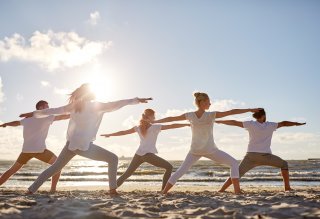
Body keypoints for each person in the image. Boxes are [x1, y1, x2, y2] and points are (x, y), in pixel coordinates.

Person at [20, 83, 152, 195]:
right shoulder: (96, 106)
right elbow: (116, 104)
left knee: (54, 168)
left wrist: (33, 113)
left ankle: (31, 190)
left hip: (70, 144)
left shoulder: (75, 106)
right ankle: (112, 190)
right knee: (113, 158)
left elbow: (53, 110)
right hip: (83, 146)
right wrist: (136, 100)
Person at [153, 92, 261, 195]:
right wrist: (250, 109)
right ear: (202, 102)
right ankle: (237, 191)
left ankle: (164, 192)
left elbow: (171, 118)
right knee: (233, 163)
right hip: (210, 150)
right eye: (208, 102)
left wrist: (155, 122)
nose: (210, 104)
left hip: (195, 150)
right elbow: (231, 111)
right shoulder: (211, 115)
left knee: (180, 171)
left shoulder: (190, 115)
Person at [216, 108, 306, 192]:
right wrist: (297, 123)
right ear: (263, 116)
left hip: (250, 156)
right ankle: (287, 188)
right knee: (284, 164)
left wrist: (219, 121)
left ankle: (222, 190)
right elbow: (284, 123)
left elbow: (234, 122)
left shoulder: (250, 124)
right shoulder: (271, 125)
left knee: (237, 173)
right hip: (265, 156)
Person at [101, 108, 190, 190]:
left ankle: (112, 190)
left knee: (127, 174)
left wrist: (110, 134)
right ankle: (163, 191)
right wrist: (186, 124)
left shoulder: (138, 127)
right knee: (169, 167)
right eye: (154, 116)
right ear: (150, 117)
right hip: (148, 155)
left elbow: (123, 132)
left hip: (138, 154)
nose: (155, 118)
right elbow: (172, 126)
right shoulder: (155, 127)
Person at [0, 100, 69, 192]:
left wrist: (6, 124)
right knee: (58, 165)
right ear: (40, 108)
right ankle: (53, 189)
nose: (49, 109)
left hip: (26, 151)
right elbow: (62, 117)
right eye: (47, 107)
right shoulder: (47, 117)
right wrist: (77, 113)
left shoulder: (27, 119)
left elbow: (16, 123)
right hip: (39, 151)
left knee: (11, 170)